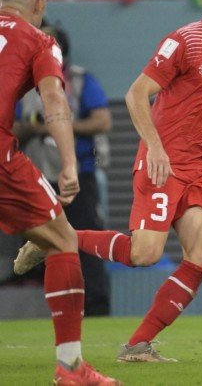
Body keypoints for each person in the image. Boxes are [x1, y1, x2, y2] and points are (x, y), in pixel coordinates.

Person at [15, 0, 202, 363]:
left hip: (199, 167)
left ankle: (138, 344)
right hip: (162, 162)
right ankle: (57, 239)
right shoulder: (184, 40)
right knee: (143, 254)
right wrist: (156, 148)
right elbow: (135, 95)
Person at [0, 0, 119, 385]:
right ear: (39, 3)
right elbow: (54, 103)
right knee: (64, 242)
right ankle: (71, 369)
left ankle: (39, 231)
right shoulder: (38, 39)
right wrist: (69, 164)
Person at [14, 22, 113, 316]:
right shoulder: (21, 83)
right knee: (39, 244)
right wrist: (33, 129)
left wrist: (60, 126)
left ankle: (96, 306)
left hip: (79, 173)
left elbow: (103, 121)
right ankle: (56, 307)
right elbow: (13, 127)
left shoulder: (81, 80)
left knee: (86, 236)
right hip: (37, 175)